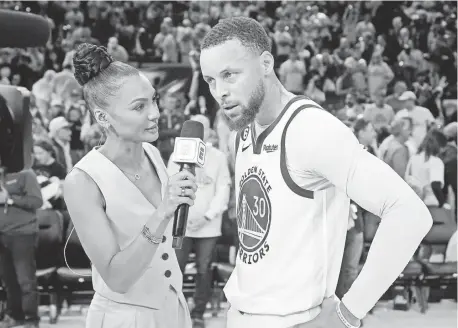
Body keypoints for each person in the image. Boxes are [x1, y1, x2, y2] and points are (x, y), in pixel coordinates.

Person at [199, 17, 433, 328]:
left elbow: (409, 213)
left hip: (296, 319)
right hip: (242, 313)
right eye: (211, 80)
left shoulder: (311, 129)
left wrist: (346, 316)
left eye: (230, 75)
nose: (220, 92)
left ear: (266, 63)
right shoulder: (240, 133)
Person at [63, 43, 196, 328]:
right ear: (102, 117)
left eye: (154, 100)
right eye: (139, 106)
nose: (155, 113)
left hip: (173, 309)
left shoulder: (152, 153)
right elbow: (117, 278)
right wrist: (162, 212)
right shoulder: (82, 180)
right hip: (124, 318)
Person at [168, 114, 231, 328]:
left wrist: (207, 216)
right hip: (180, 225)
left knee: (205, 271)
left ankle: (197, 315)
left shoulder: (218, 157)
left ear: (209, 133)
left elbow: (223, 189)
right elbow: (169, 185)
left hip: (209, 227)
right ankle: (174, 312)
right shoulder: (177, 156)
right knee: (176, 268)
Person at [0, 163, 43, 328]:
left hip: (22, 234)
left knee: (26, 280)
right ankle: (14, 315)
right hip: (2, 234)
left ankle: (31, 319)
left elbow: (37, 201)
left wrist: (9, 200)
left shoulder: (25, 173)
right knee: (8, 280)